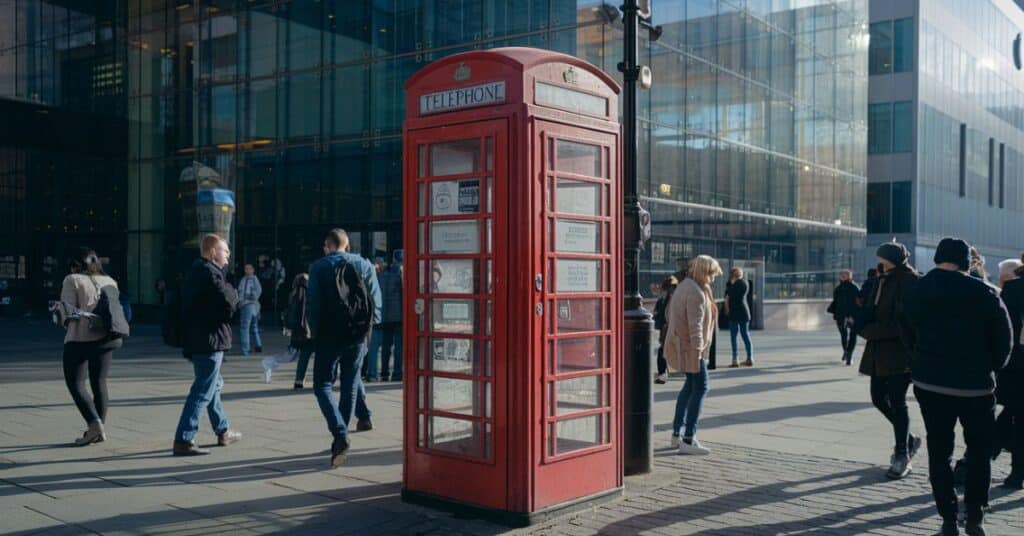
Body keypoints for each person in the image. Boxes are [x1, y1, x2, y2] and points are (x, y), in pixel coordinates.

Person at [901, 237, 1013, 536]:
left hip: (930, 384)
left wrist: (920, 360)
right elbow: (1005, 341)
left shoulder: (916, 289)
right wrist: (990, 369)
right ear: (965, 262)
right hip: (975, 387)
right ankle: (975, 517)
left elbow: (906, 331)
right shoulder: (986, 293)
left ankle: (948, 519)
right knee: (979, 452)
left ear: (937, 258)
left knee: (940, 452)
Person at [308, 229, 382, 467]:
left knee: (322, 385)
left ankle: (340, 434)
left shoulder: (318, 267)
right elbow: (375, 300)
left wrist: (314, 333)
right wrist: (369, 331)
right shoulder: (363, 264)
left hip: (329, 334)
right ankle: (343, 434)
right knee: (350, 385)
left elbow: (314, 305)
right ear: (347, 244)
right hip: (358, 335)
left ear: (326, 245)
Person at [173, 234, 243, 456]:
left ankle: (222, 430)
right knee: (203, 389)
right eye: (225, 251)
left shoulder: (197, 272)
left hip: (200, 339)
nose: (228, 255)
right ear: (213, 252)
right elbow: (229, 303)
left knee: (213, 385)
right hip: (209, 340)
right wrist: (234, 291)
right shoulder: (210, 274)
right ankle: (184, 438)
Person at [858, 241, 922, 480]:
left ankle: (902, 454)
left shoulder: (910, 281)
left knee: (897, 400)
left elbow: (907, 322)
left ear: (892, 260)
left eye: (882, 259)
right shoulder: (881, 279)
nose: (879, 263)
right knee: (877, 398)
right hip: (878, 350)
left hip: (900, 351)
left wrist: (871, 330)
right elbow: (871, 308)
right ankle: (910, 439)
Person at [59, 247, 122, 446]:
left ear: (76, 264)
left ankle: (94, 425)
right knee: (100, 382)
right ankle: (98, 428)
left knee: (75, 383)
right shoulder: (110, 281)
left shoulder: (72, 279)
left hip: (80, 338)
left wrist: (60, 319)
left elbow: (67, 312)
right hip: (107, 337)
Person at [665, 255, 721, 455]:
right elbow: (695, 327)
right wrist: (698, 354)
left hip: (686, 348)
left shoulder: (685, 286)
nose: (714, 277)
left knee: (689, 388)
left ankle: (676, 434)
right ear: (704, 272)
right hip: (692, 350)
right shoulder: (696, 292)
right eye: (712, 273)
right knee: (701, 388)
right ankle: (688, 438)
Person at [996, 256, 1024, 490]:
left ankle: (1016, 474)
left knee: (1016, 417)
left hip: (1015, 365)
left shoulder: (1012, 290)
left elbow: (1001, 328)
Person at [378, 250, 403, 382]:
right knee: (399, 346)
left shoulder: (383, 274)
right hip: (399, 316)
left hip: (385, 315)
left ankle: (384, 373)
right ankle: (397, 373)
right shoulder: (402, 273)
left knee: (386, 346)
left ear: (393, 259)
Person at [285, 273, 313, 389]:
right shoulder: (308, 292)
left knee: (304, 355)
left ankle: (299, 379)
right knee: (315, 354)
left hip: (300, 330)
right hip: (310, 329)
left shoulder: (294, 293)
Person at [829, 270, 861, 365]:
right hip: (840, 315)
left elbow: (858, 303)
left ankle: (849, 355)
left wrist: (853, 315)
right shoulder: (838, 289)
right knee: (843, 335)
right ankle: (846, 352)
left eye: (845, 275)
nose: (843, 276)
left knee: (853, 335)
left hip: (852, 315)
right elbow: (836, 302)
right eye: (841, 275)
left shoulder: (854, 288)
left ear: (850, 276)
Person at [724, 267, 753, 368]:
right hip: (743, 312)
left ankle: (736, 359)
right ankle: (749, 357)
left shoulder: (739, 284)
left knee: (735, 336)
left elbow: (730, 294)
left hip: (736, 312)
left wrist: (731, 284)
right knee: (745, 335)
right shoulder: (745, 282)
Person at [653, 276, 679, 384]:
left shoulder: (668, 298)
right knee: (663, 351)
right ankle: (663, 373)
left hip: (669, 327)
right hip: (668, 327)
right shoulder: (670, 297)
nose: (670, 289)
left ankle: (663, 373)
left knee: (664, 351)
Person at [364, 258, 387, 382]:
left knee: (369, 348)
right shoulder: (384, 278)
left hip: (371, 317)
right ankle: (373, 373)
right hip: (378, 318)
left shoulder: (367, 279)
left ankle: (369, 372)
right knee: (374, 348)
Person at [236, 264, 263, 356]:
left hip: (248, 304)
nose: (247, 270)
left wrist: (245, 299)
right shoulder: (244, 279)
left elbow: (257, 291)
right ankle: (258, 345)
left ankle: (245, 349)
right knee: (254, 327)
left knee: (245, 327)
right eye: (245, 268)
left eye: (249, 268)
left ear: (253, 270)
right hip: (252, 305)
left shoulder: (252, 279)